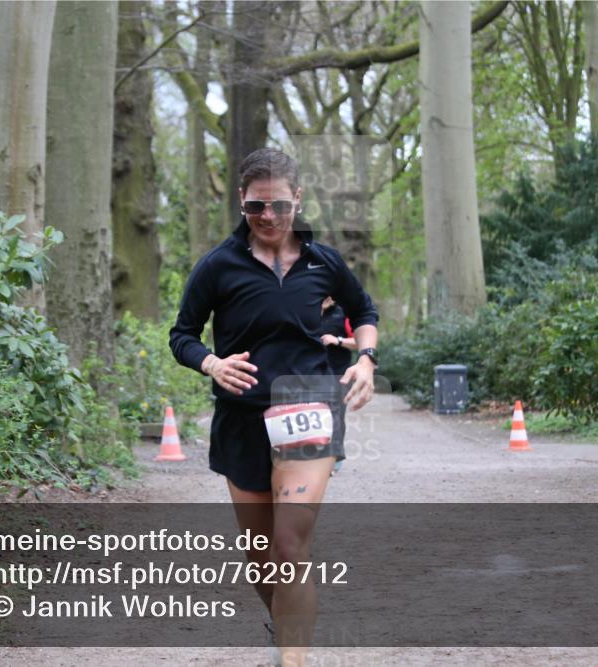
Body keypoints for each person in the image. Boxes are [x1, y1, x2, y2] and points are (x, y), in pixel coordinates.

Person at [169, 148, 379, 666]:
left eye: (279, 206)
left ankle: (294, 660)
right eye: (256, 206)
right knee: (262, 560)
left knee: (290, 545)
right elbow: (182, 335)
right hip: (241, 415)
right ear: (241, 199)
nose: (267, 217)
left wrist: (367, 359)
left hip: (308, 404)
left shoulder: (323, 261)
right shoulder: (218, 266)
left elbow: (364, 310)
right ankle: (284, 626)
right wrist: (211, 364)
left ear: (298, 199)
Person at [318, 296, 357, 475]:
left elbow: (359, 342)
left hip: (339, 373)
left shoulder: (344, 313)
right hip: (312, 372)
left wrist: (338, 340)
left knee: (335, 413)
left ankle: (335, 459)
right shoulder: (307, 309)